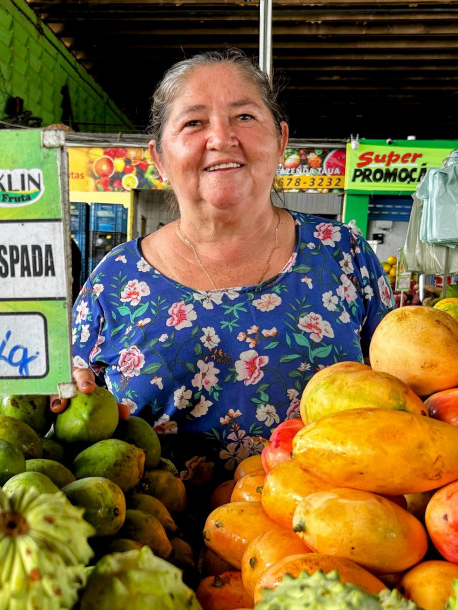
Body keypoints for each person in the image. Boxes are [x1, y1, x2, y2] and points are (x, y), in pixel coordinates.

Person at [59, 48, 394, 490]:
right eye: (194, 122)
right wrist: (67, 392)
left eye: (245, 117)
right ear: (158, 158)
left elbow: (402, 393)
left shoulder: (343, 254)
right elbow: (74, 415)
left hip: (321, 539)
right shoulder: (115, 278)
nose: (221, 138)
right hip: (145, 541)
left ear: (281, 141)